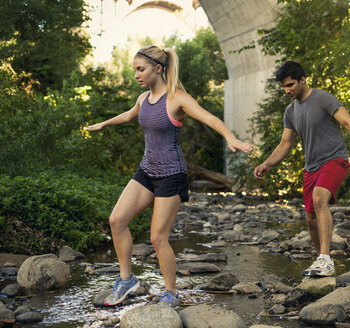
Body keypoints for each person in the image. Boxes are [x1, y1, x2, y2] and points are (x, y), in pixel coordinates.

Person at [87, 45, 253, 307]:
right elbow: (130, 115)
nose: (136, 75)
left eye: (141, 69)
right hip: (146, 171)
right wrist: (105, 123)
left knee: (157, 238)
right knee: (117, 220)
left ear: (158, 68)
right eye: (135, 70)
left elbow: (210, 119)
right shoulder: (143, 99)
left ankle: (171, 293)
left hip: (171, 175)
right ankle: (127, 280)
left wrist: (230, 137)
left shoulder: (177, 98)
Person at [254, 61, 350, 277]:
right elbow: (285, 143)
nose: (287, 90)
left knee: (319, 200)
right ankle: (322, 261)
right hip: (312, 167)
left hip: (335, 159)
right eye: (284, 87)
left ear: (303, 80)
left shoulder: (323, 98)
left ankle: (326, 259)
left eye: (290, 85)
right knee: (310, 218)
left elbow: (349, 123)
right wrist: (267, 163)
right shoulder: (290, 111)